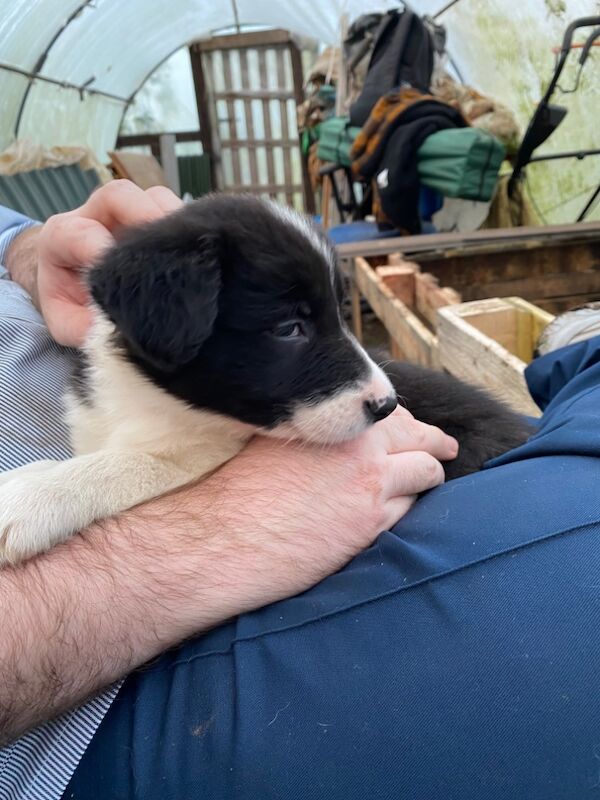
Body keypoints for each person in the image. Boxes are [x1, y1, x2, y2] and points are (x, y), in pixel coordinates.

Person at [1, 184, 600, 800]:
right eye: (292, 325)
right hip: (118, 702)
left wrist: (25, 246)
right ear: (161, 320)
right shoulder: (162, 350)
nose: (375, 383)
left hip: (459, 462)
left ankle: (577, 351)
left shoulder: (175, 321)